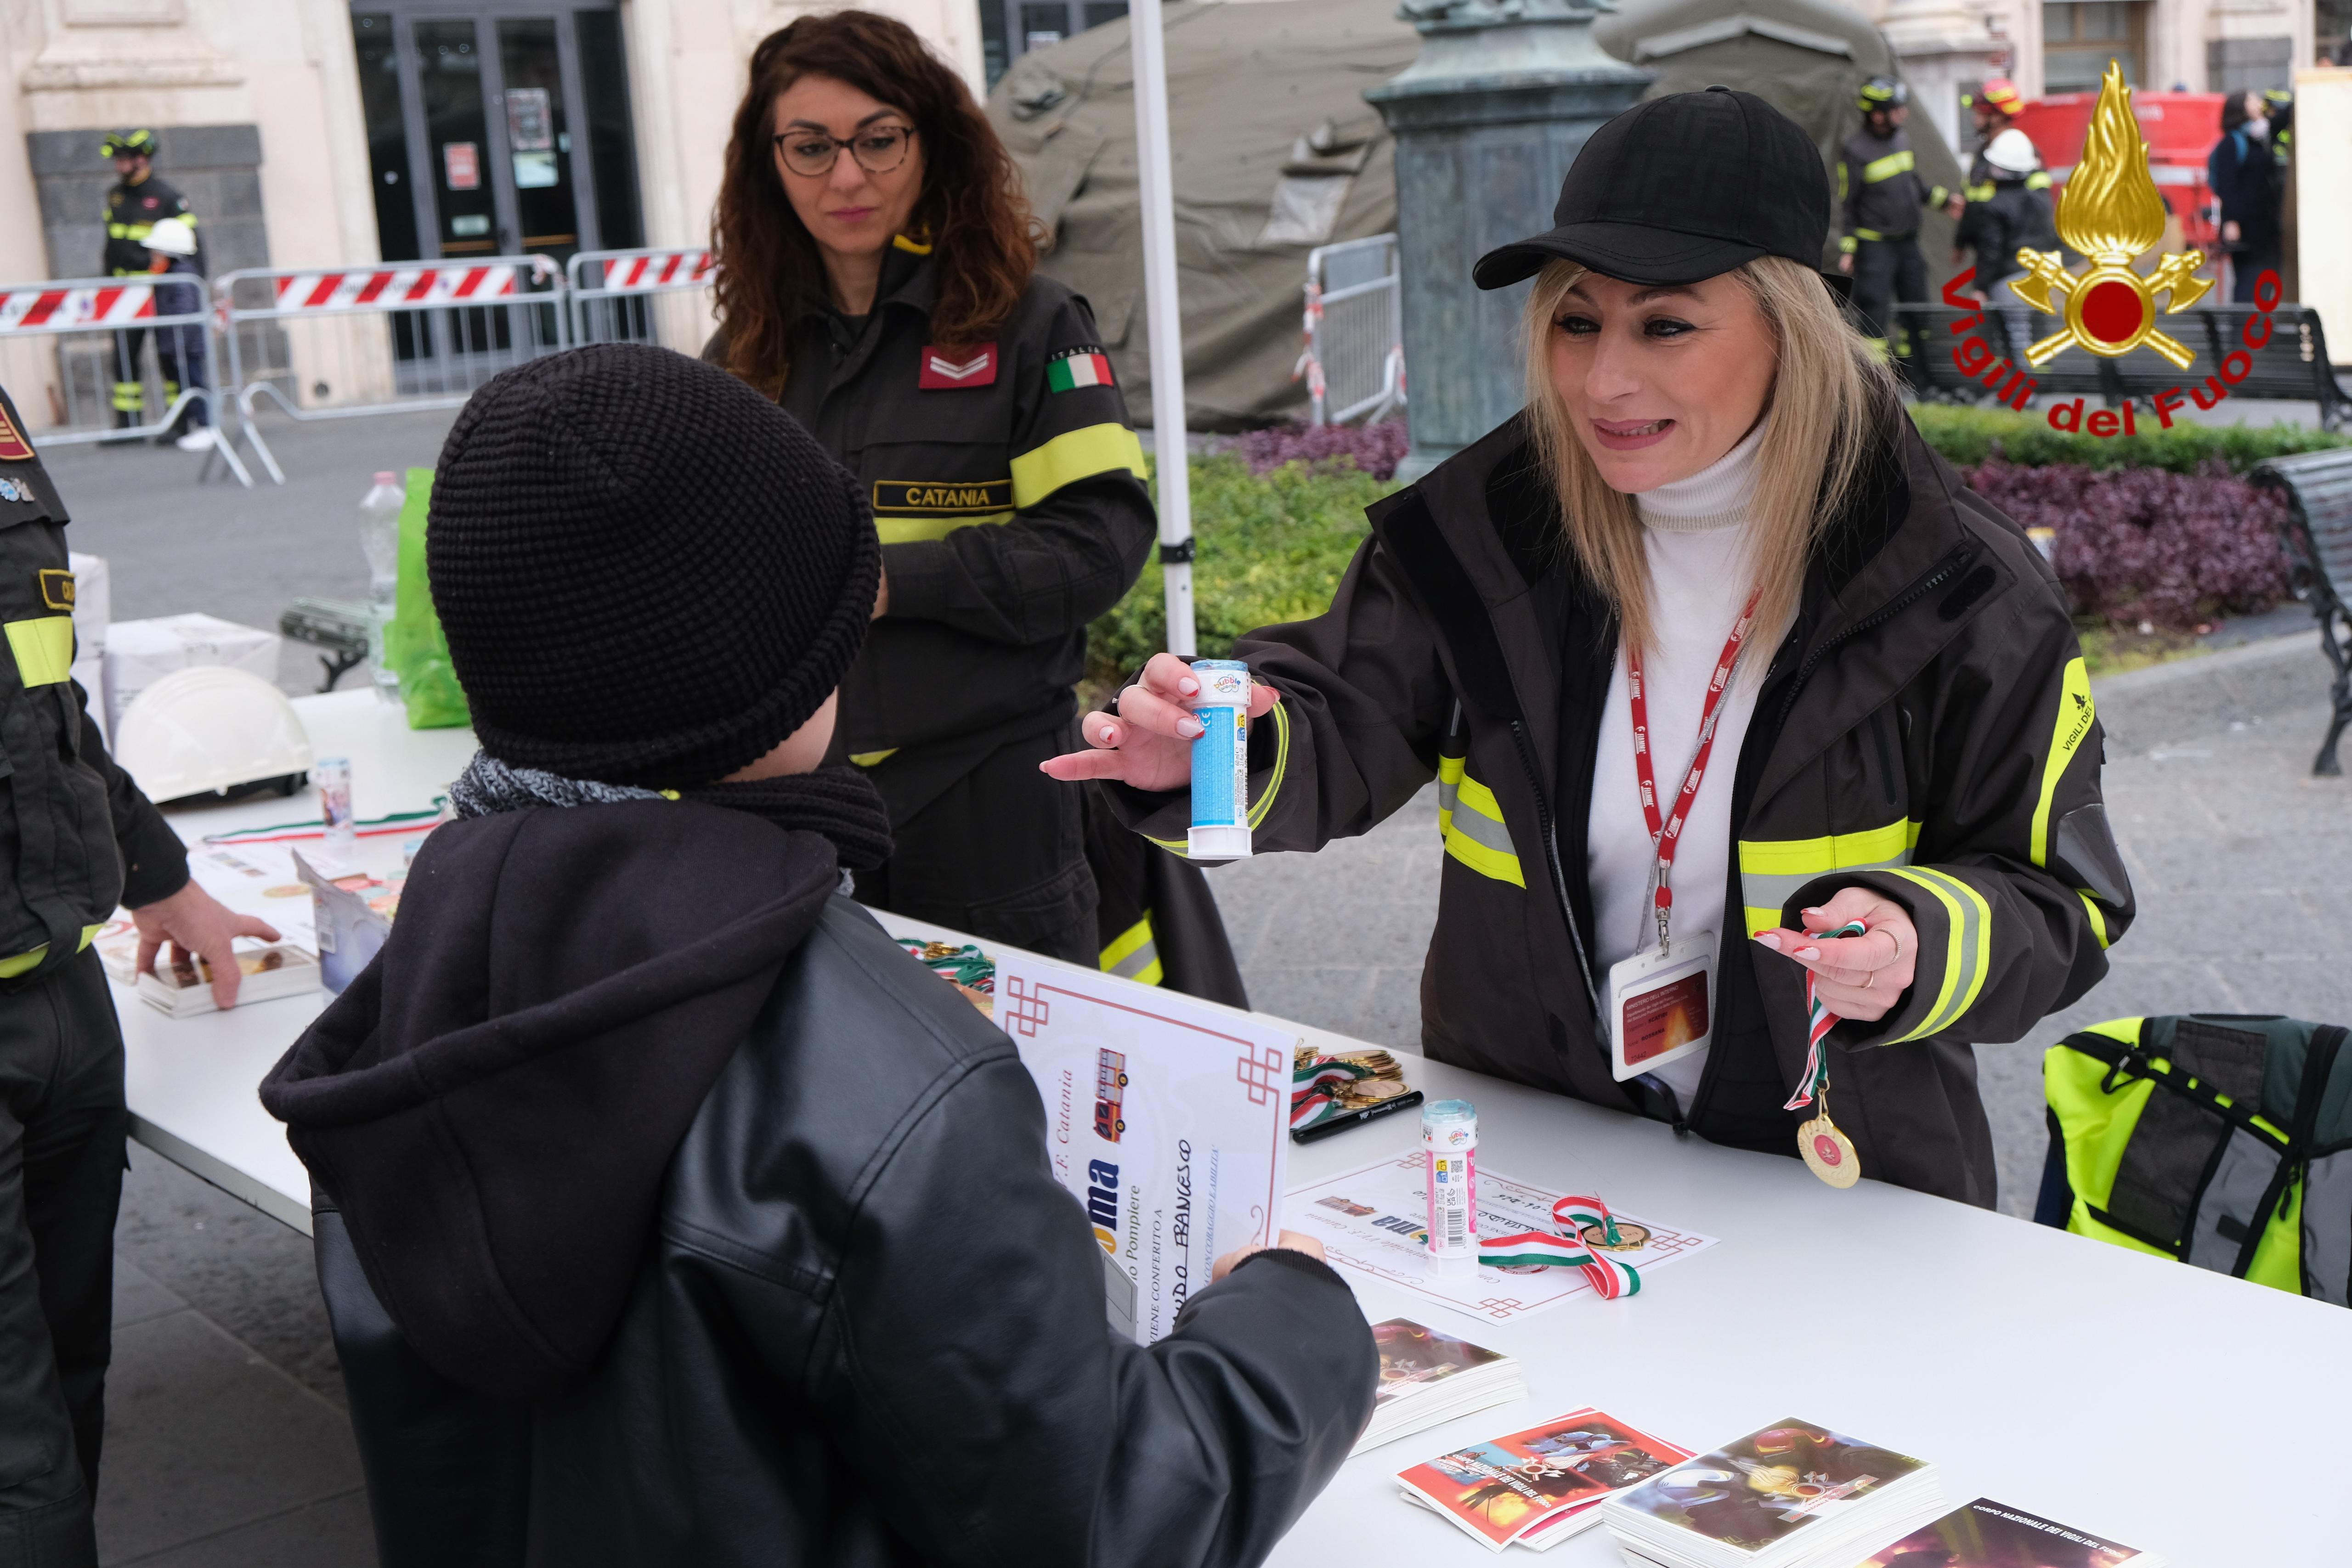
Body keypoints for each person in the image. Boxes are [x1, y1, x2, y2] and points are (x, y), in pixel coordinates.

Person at [259, 344, 1374, 1564]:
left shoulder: (429, 952)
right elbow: (1105, 1514)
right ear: (790, 659)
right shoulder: (894, 1078)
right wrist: (1292, 1310)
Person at [1049, 87, 2135, 1206]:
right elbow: (1341, 712)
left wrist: (1921, 939)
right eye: (1576, 320)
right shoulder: (1487, 528)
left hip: (1832, 1181)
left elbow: (2060, 897)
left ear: (1791, 327)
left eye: (1663, 324)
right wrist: (1206, 754)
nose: (1601, 379)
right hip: (1532, 1160)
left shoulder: (1958, 581)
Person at [704, 11, 1243, 996]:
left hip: (992, 806)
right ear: (767, 162)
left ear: (930, 140)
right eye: (811, 147)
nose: (848, 177)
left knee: (1025, 1109)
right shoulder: (744, 357)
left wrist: (882, 583)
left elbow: (1099, 545)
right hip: (797, 815)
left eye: (878, 139)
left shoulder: (1031, 324)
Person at [0, 381, 279, 1566]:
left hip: (62, 995)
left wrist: (161, 874)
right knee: (16, 1457)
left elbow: (46, 699)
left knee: (72, 1377)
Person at [98, 129, 201, 439]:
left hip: (159, 292)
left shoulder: (167, 196)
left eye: (124, 159)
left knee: (169, 356)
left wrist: (195, 284)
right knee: (124, 358)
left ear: (142, 159)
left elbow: (192, 245)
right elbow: (111, 244)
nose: (119, 165)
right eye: (116, 159)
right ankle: (129, 424)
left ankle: (179, 422)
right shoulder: (115, 195)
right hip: (123, 293)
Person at [1836, 78, 1934, 364]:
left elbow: (1915, 184)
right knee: (1874, 311)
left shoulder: (1901, 139)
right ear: (1877, 115)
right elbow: (1848, 203)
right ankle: (1876, 380)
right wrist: (1849, 249)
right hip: (1875, 249)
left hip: (1908, 244)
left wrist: (1944, 201)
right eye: (1896, 109)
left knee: (1917, 307)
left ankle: (1914, 372)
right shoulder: (1856, 150)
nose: (1903, 114)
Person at [137, 218, 214, 453]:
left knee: (194, 385)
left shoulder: (180, 276)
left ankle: (207, 426)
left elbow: (184, 311)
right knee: (185, 386)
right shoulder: (173, 273)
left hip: (186, 345)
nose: (153, 256)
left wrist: (178, 342)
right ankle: (202, 426)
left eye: (156, 252)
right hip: (179, 345)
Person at [1952, 129, 2058, 295]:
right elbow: (2049, 236)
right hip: (2040, 277)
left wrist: (1981, 287)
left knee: (2010, 320)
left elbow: (1991, 251)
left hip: (2007, 280)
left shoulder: (1994, 207)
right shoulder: (2040, 199)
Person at [2208, 90, 2281, 302]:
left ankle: (2258, 332)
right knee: (2249, 283)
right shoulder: (2232, 143)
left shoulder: (2257, 138)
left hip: (2264, 226)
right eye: (2253, 100)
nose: (2260, 104)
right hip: (2246, 228)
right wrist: (2232, 221)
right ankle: (2242, 333)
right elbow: (2226, 186)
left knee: (2266, 281)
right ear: (2241, 109)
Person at [1946, 78, 2045, 218]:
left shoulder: (2022, 152)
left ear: (1996, 117)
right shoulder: (1985, 150)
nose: (1975, 120)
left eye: (1980, 113)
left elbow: (2034, 204)